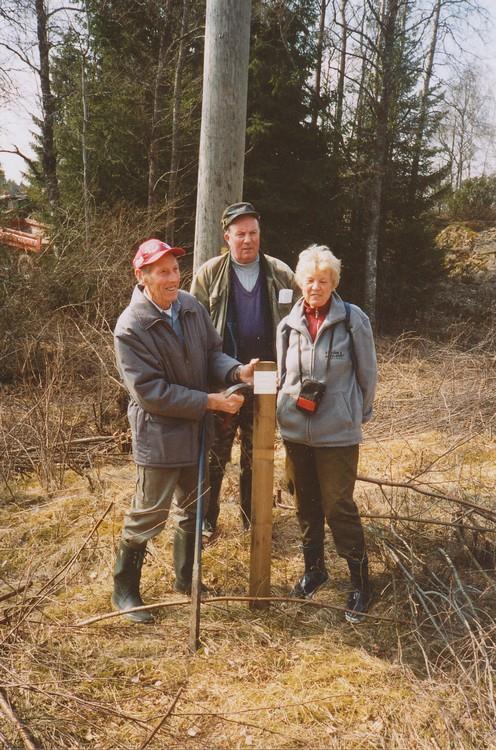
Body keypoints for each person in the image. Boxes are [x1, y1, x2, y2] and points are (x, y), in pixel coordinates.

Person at [112, 238, 256, 623]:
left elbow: (212, 353)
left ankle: (186, 581)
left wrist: (237, 371)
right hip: (159, 436)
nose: (172, 277)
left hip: (196, 433)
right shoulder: (131, 328)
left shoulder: (190, 306)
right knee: (148, 515)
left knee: (193, 510)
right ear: (142, 276)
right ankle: (125, 592)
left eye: (175, 269)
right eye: (162, 271)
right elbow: (151, 393)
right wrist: (210, 402)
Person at [276, 244, 377, 623]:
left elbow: (368, 374)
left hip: (337, 433)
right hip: (296, 432)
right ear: (300, 282)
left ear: (334, 282)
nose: (315, 287)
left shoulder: (353, 320)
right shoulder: (288, 324)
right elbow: (285, 377)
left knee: (338, 505)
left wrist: (356, 415)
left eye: (322, 280)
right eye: (309, 280)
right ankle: (314, 570)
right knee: (306, 503)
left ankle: (361, 582)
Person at [191, 202, 300, 534]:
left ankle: (253, 524)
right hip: (224, 382)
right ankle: (205, 523)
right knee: (214, 456)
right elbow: (194, 330)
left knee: (258, 456)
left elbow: (298, 329)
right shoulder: (209, 274)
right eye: (240, 234)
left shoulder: (281, 274)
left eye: (253, 233)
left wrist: (289, 374)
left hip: (268, 381)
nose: (248, 240)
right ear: (227, 237)